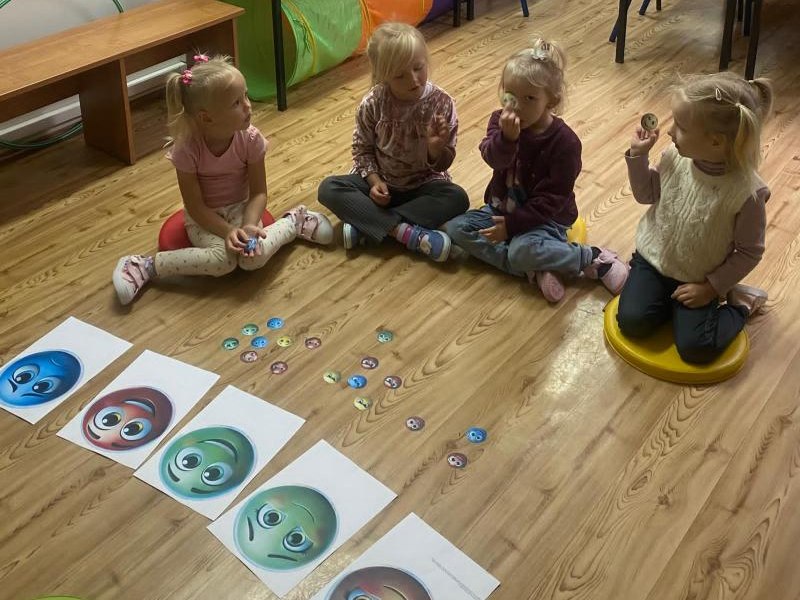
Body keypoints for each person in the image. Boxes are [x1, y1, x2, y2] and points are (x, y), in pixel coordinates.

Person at [112, 54, 332, 305]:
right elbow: (195, 206)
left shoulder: (251, 140)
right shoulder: (187, 150)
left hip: (242, 209)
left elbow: (259, 193)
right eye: (236, 103)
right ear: (206, 117)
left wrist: (248, 225)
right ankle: (144, 266)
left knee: (253, 259)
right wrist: (227, 231)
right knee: (223, 261)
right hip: (205, 218)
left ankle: (295, 221)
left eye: (245, 96)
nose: (248, 106)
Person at [445, 38, 627, 302]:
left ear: (552, 100)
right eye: (511, 96)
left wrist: (512, 226)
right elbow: (493, 159)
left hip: (546, 219)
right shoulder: (499, 120)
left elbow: (552, 199)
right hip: (501, 208)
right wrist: (506, 139)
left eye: (529, 98)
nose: (517, 106)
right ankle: (534, 269)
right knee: (456, 229)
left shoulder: (565, 142)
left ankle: (592, 258)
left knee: (521, 250)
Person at [617, 72, 773, 364]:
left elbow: (749, 252)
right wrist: (638, 158)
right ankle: (665, 303)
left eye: (681, 126)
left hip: (700, 278)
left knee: (695, 349)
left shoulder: (747, 193)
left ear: (716, 142)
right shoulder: (674, 156)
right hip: (654, 261)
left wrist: (711, 288)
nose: (670, 132)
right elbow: (646, 195)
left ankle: (741, 304)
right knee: (632, 322)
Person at [317, 22, 469, 262]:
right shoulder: (372, 103)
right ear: (383, 76)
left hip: (422, 187)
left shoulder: (442, 103)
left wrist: (435, 150)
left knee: (457, 198)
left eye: (418, 68)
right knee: (328, 188)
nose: (414, 80)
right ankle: (405, 232)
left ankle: (368, 224)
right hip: (380, 186)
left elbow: (444, 164)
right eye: (400, 75)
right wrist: (375, 181)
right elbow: (362, 150)